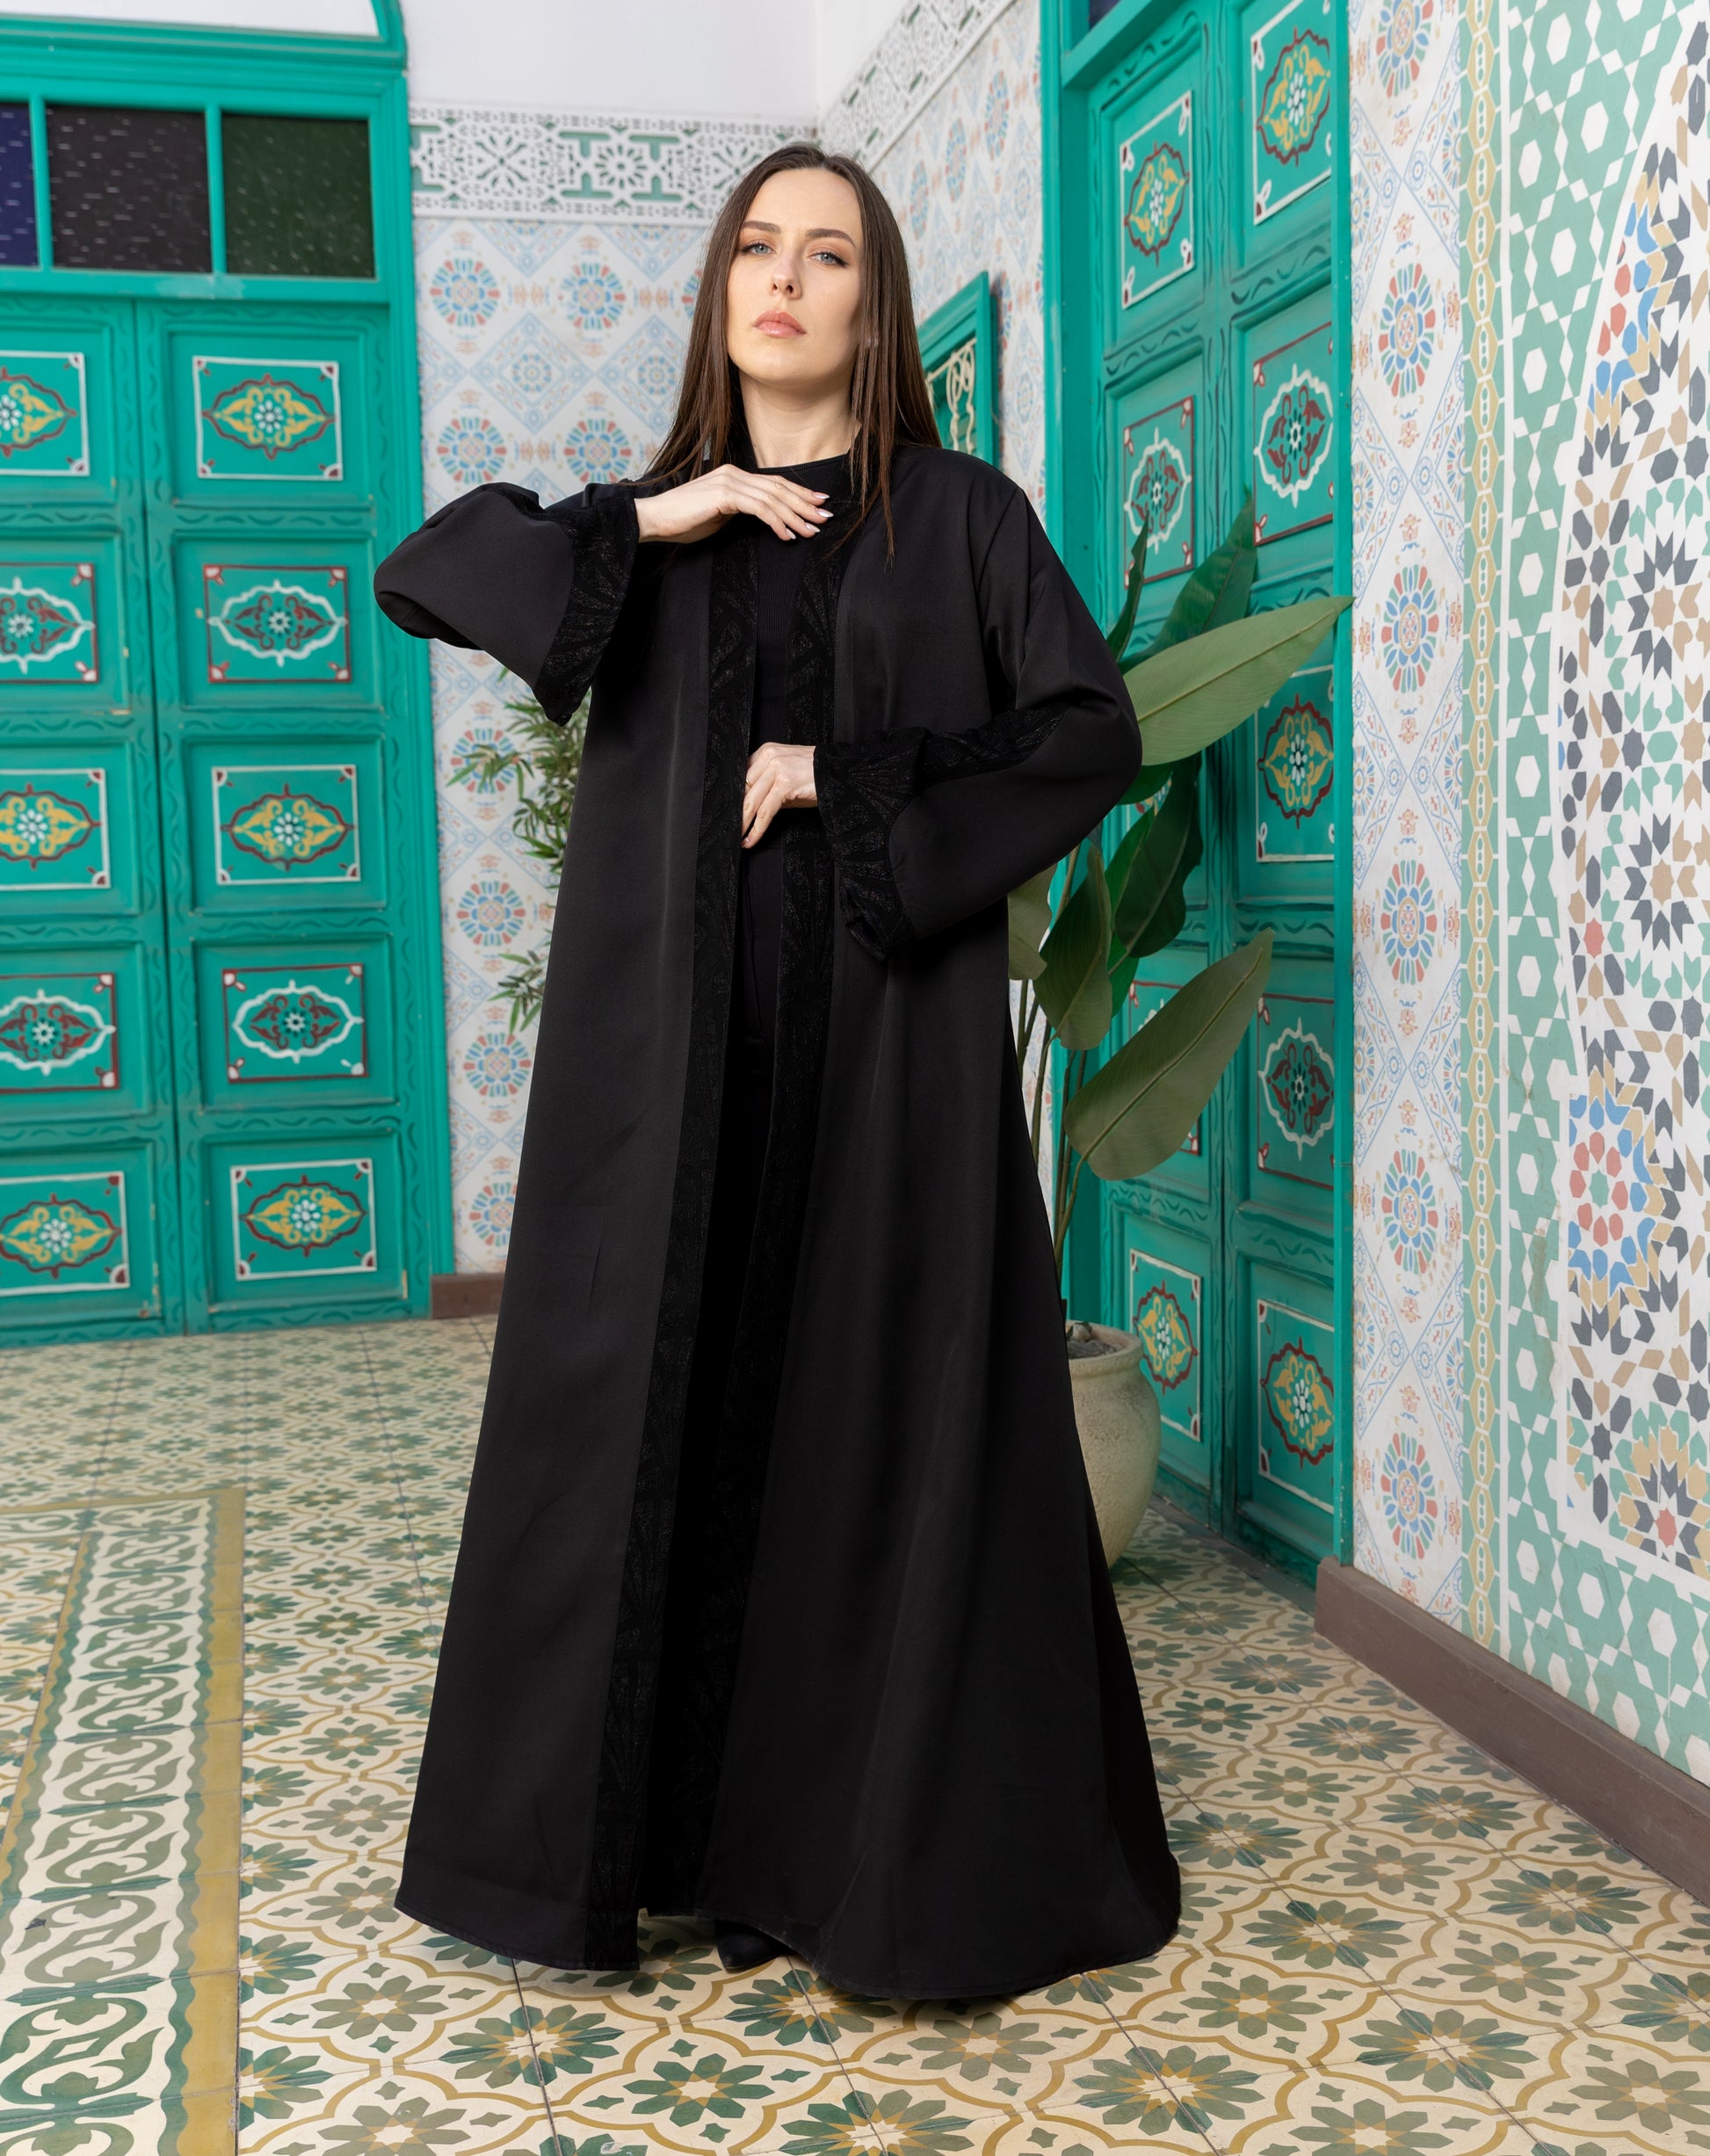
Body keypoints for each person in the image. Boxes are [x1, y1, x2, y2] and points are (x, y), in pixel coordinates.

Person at [373, 141, 1180, 2000]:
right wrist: (654, 518)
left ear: (873, 305)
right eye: (756, 247)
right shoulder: (652, 536)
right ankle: (640, 1846)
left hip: (881, 1074)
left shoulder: (957, 516)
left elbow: (1087, 733)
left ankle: (843, 1855)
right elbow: (427, 573)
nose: (786, 281)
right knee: (656, 1424)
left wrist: (850, 777)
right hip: (668, 1081)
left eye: (828, 256)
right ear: (719, 287)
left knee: (862, 1429)